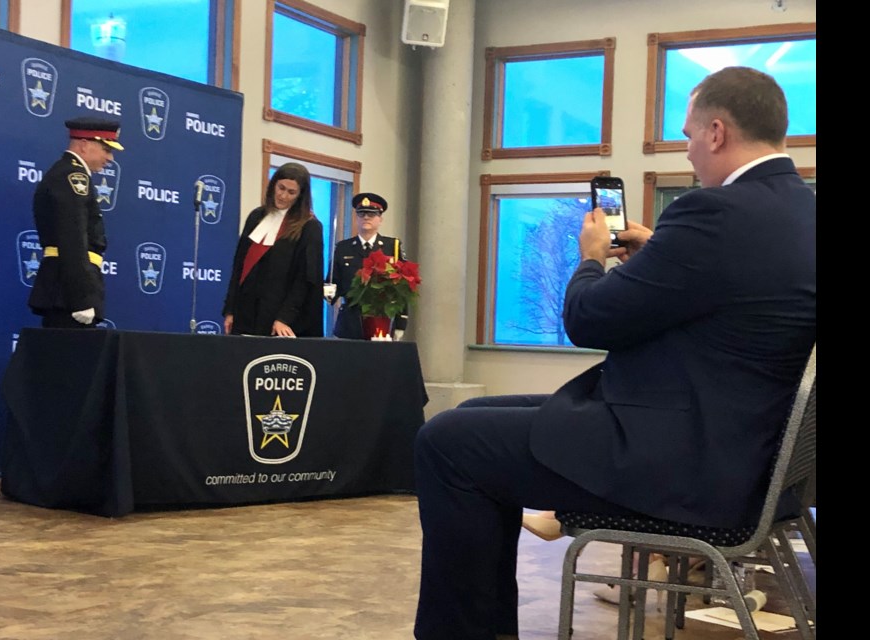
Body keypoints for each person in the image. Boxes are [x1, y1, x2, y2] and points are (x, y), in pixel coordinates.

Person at [412, 65, 816, 640]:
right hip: (745, 450)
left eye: (689, 135)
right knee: (469, 419)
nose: (689, 151)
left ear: (718, 132)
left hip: (684, 463)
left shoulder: (714, 214)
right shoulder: (800, 211)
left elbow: (588, 318)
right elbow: (730, 295)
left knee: (446, 444)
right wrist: (659, 250)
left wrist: (591, 257)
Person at [28, 117, 123, 328]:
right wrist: (82, 297)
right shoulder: (73, 176)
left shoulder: (67, 173)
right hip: (67, 292)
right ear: (84, 144)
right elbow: (72, 237)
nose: (110, 158)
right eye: (106, 149)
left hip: (64, 287)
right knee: (69, 357)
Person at [222, 162, 323, 337]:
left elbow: (305, 278)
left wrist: (285, 317)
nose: (283, 196)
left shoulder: (309, 226)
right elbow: (239, 266)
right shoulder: (256, 217)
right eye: (280, 188)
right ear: (273, 185)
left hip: (279, 319)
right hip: (246, 312)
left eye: (291, 192)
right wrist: (230, 309)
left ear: (300, 195)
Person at [325, 192, 409, 340]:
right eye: (361, 214)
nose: (366, 218)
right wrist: (329, 293)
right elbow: (332, 281)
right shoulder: (343, 248)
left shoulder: (392, 247)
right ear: (356, 217)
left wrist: (401, 323)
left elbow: (403, 288)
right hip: (350, 322)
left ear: (380, 219)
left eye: (372, 214)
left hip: (382, 320)